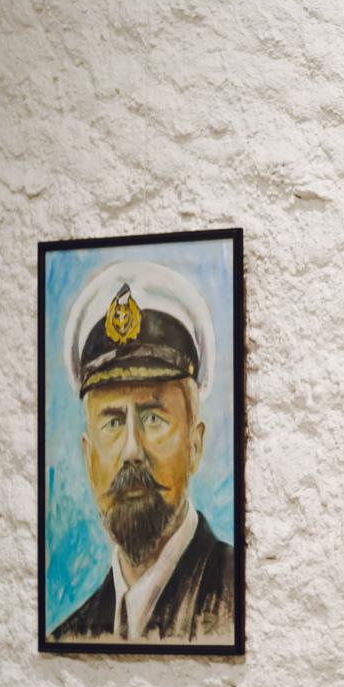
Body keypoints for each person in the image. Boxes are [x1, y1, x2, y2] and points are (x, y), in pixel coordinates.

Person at [51, 262, 234, 643]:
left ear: (195, 445)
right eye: (113, 422)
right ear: (88, 457)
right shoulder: (72, 636)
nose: (132, 450)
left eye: (153, 417)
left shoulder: (236, 601)